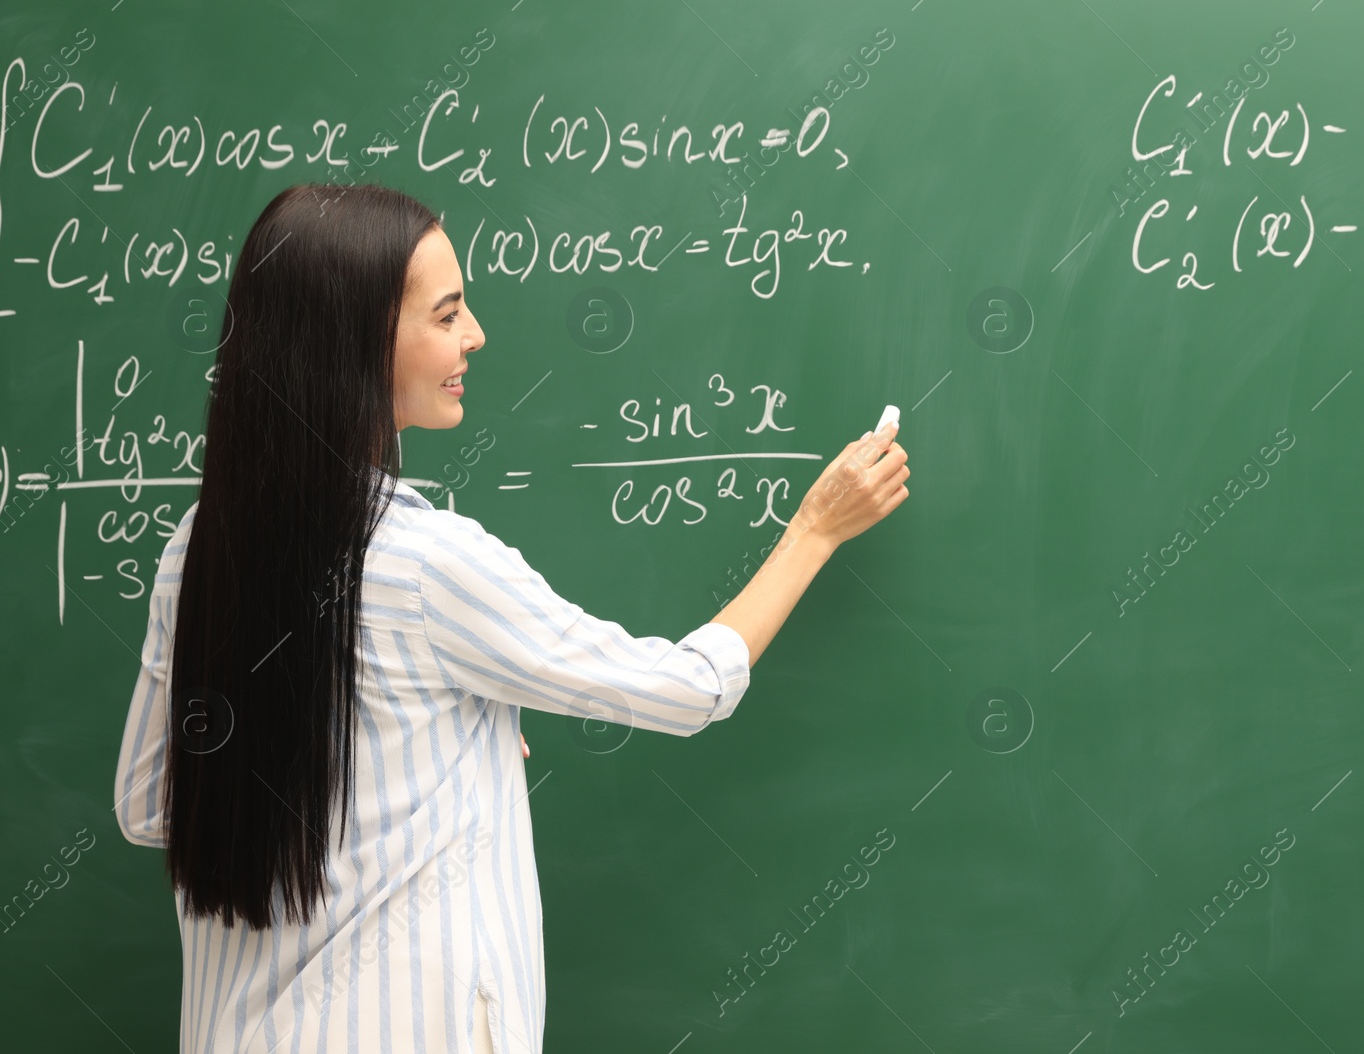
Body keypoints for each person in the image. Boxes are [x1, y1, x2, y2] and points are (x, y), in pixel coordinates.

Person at [113, 183, 910, 1054]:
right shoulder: (430, 565)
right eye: (447, 313)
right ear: (356, 340)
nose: (475, 335)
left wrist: (439, 738)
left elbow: (148, 804)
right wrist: (815, 528)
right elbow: (688, 688)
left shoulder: (200, 541)